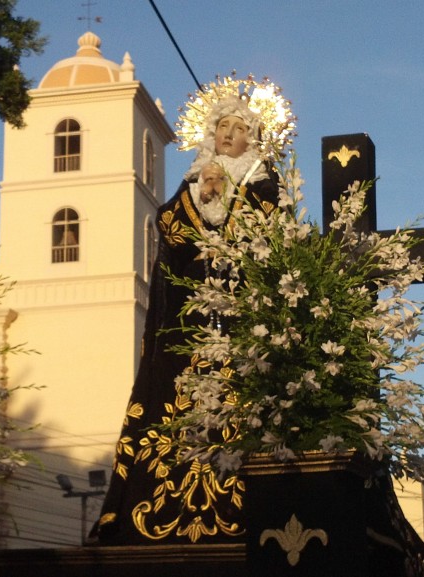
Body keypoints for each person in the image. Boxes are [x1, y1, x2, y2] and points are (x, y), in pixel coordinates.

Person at [92, 94, 278, 545]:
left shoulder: (263, 179)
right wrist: (202, 199)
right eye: (222, 128)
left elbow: (267, 232)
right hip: (190, 324)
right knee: (172, 406)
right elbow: (169, 229)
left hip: (239, 322)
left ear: (251, 137)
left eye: (237, 128)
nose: (228, 135)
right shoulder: (192, 179)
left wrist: (227, 202)